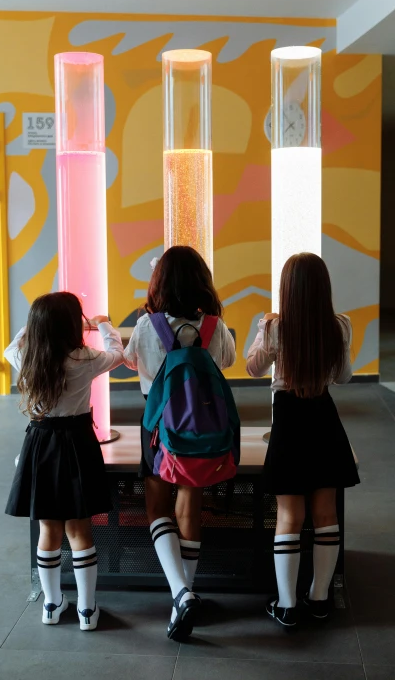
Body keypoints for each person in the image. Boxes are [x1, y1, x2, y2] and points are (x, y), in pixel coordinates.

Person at [123, 246, 236, 640]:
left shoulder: (145, 326)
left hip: (158, 428)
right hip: (202, 425)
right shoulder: (214, 326)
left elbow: (132, 362)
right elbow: (228, 362)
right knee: (191, 502)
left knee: (157, 505)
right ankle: (186, 592)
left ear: (159, 283)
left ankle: (180, 592)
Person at [246, 253, 360, 630]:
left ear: (287, 290)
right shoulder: (339, 326)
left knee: (289, 515)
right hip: (323, 417)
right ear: (324, 288)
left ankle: (288, 604)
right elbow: (343, 378)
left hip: (290, 421)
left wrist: (263, 332)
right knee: (325, 512)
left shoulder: (276, 326)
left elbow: (253, 368)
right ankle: (321, 597)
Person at [4, 292, 123, 631]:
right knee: (79, 528)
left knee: (48, 528)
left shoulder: (27, 356)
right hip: (77, 444)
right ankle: (87, 610)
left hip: (41, 444)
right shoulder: (85, 358)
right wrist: (103, 324)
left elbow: (10, 347)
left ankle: (52, 605)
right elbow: (118, 354)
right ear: (74, 324)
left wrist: (30, 329)